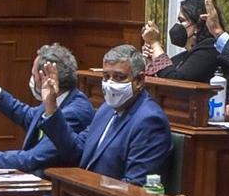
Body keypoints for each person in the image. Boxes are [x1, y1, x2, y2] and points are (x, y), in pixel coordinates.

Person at [39, 45, 172, 183]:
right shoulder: (106, 109)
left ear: (139, 81)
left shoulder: (150, 121)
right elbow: (75, 150)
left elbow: (135, 186)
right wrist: (51, 106)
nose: (110, 84)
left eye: (119, 77)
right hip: (85, 194)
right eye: (106, 76)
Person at [0, 44, 95, 174]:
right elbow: (27, 115)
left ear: (45, 78)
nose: (32, 79)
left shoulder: (74, 112)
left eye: (33, 74)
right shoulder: (56, 99)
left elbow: (32, 159)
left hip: (52, 188)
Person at [140, 0, 220, 83]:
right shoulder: (185, 55)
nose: (177, 25)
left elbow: (174, 80)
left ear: (198, 26)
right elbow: (163, 74)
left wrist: (155, 43)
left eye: (182, 21)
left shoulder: (209, 49)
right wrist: (151, 57)